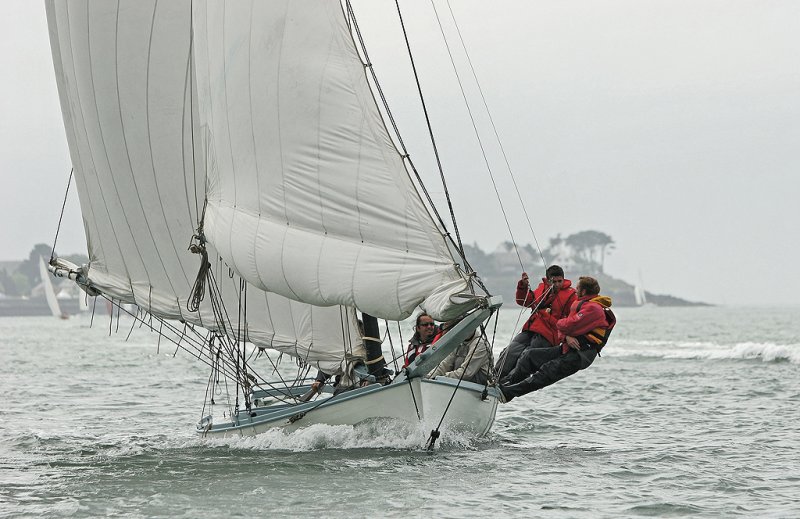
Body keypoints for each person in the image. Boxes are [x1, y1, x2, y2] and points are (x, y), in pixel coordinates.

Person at [498, 276, 616, 402]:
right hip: (566, 348)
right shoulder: (584, 304)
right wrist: (566, 335)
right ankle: (505, 385)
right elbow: (564, 329)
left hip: (580, 355)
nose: (576, 291)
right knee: (530, 356)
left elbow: (566, 325)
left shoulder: (594, 309)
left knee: (546, 372)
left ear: (584, 292)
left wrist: (562, 326)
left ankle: (508, 393)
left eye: (578, 288)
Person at [495, 265, 577, 380]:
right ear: (548, 280)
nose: (558, 284)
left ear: (563, 279)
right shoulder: (542, 288)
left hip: (548, 335)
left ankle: (508, 381)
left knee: (526, 357)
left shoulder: (571, 295)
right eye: (554, 281)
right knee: (509, 351)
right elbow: (524, 301)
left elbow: (571, 320)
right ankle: (494, 378)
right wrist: (523, 287)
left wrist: (567, 336)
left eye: (560, 281)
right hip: (531, 329)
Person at [427, 319, 493, 385]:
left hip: (478, 385)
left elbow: (467, 373)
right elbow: (445, 365)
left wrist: (442, 377)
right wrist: (429, 376)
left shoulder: (480, 344)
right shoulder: (458, 341)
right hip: (459, 384)